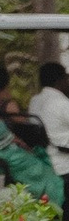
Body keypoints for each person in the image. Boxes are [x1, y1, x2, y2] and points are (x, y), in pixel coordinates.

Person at [30, 58, 69, 210]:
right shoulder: (62, 103)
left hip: (43, 161)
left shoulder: (35, 100)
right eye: (66, 77)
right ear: (60, 80)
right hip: (63, 164)